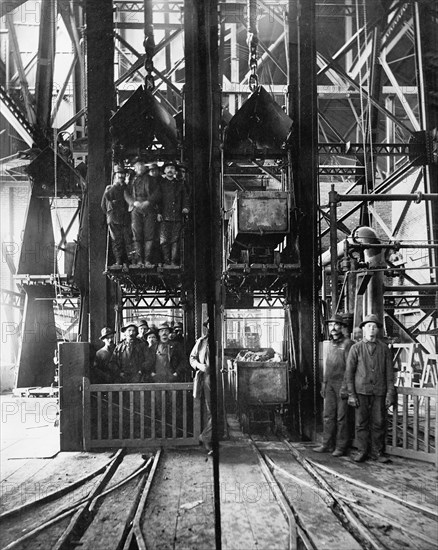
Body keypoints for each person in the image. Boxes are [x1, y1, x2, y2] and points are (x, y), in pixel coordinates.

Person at [346, 314, 395, 463]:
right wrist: (351, 395)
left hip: (379, 392)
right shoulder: (356, 348)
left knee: (379, 422)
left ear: (378, 330)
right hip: (361, 392)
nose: (371, 329)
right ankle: (362, 451)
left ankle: (377, 453)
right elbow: (349, 373)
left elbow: (389, 374)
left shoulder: (384, 349)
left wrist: (389, 393)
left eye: (374, 326)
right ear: (363, 329)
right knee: (361, 423)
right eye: (368, 326)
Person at [314, 314, 354, 456]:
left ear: (343, 327)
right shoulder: (330, 344)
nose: (333, 328)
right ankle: (326, 444)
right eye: (331, 325)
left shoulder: (348, 344)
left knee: (341, 417)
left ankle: (341, 447)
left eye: (336, 325)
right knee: (328, 415)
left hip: (342, 384)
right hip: (330, 384)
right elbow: (327, 365)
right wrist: (324, 384)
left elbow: (350, 368)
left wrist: (345, 386)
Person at [124, 159, 161, 268]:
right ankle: (139, 260)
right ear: (134, 167)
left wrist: (148, 201)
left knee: (149, 234)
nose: (140, 167)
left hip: (149, 208)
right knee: (137, 235)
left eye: (141, 165)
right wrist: (133, 202)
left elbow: (158, 192)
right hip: (135, 208)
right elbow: (126, 193)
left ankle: (148, 260)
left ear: (145, 167)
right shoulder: (131, 180)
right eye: (137, 165)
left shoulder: (152, 180)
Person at [157, 160, 190, 266]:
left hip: (177, 217)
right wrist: (158, 212)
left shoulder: (180, 184)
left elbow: (185, 198)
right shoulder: (161, 184)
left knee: (175, 241)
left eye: (172, 168)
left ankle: (173, 262)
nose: (170, 170)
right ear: (165, 171)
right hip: (164, 217)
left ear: (175, 171)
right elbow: (157, 199)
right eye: (168, 168)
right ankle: (166, 261)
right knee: (164, 241)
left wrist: (185, 208)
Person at [101, 165, 132, 267]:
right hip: (114, 218)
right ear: (115, 175)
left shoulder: (127, 187)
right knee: (116, 241)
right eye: (119, 174)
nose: (121, 176)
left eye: (122, 174)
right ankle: (119, 261)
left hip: (125, 218)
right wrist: (109, 214)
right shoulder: (110, 188)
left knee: (128, 240)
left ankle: (130, 261)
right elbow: (104, 204)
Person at [189, 319, 212, 453]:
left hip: (223, 378)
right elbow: (192, 358)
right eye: (209, 325)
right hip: (208, 378)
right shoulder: (202, 342)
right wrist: (199, 366)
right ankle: (206, 438)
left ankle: (206, 437)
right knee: (211, 411)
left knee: (217, 412)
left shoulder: (221, 340)